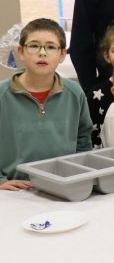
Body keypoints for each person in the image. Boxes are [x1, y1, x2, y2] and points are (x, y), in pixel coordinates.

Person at [0, 19, 92, 191]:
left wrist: (77, 172)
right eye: (34, 46)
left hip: (64, 184)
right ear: (21, 51)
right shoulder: (2, 94)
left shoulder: (75, 92)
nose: (42, 53)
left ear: (62, 54)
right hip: (15, 190)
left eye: (50, 47)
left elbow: (84, 139)